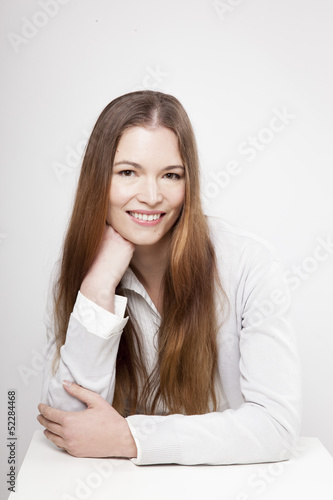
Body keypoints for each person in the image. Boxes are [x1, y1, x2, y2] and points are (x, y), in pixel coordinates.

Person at [38, 90, 302, 465]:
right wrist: (98, 288)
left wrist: (133, 439)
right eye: (128, 172)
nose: (151, 195)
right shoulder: (85, 271)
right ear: (99, 180)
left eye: (170, 175)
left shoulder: (248, 263)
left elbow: (276, 427)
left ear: (188, 182)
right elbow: (69, 426)